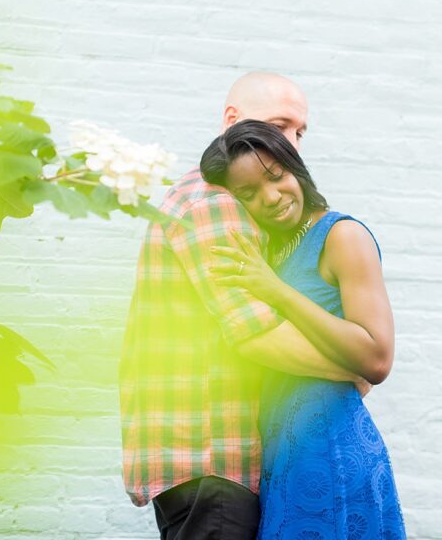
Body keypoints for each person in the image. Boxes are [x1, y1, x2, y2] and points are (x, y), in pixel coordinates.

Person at [119, 72, 367, 540]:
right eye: (280, 123)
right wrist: (351, 370)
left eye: (299, 132)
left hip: (210, 464)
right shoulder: (213, 204)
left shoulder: (225, 200)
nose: (290, 141)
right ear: (233, 120)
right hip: (211, 457)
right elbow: (256, 333)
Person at [199, 119, 405, 539]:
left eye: (276, 178)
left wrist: (274, 290)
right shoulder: (268, 249)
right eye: (249, 194)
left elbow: (377, 357)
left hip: (331, 453)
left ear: (297, 168)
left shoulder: (342, 236)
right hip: (282, 457)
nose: (270, 197)